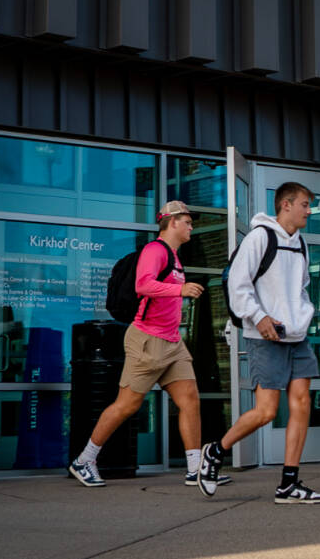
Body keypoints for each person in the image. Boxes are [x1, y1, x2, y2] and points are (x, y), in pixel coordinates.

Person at [196, 183, 320, 503]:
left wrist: (302, 317)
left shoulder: (300, 243)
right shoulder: (259, 238)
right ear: (286, 205)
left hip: (296, 336)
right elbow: (238, 285)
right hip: (264, 336)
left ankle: (289, 483)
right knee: (267, 411)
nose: (309, 211)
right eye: (305, 205)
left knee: (302, 404)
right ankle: (215, 451)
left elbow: (301, 288)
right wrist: (260, 317)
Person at [69, 200, 210, 490]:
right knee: (127, 404)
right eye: (187, 222)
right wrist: (180, 289)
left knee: (190, 400)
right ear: (172, 222)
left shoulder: (173, 256)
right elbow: (143, 285)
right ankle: (85, 460)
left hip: (172, 341)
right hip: (147, 340)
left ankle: (195, 469)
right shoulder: (155, 250)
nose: (191, 227)